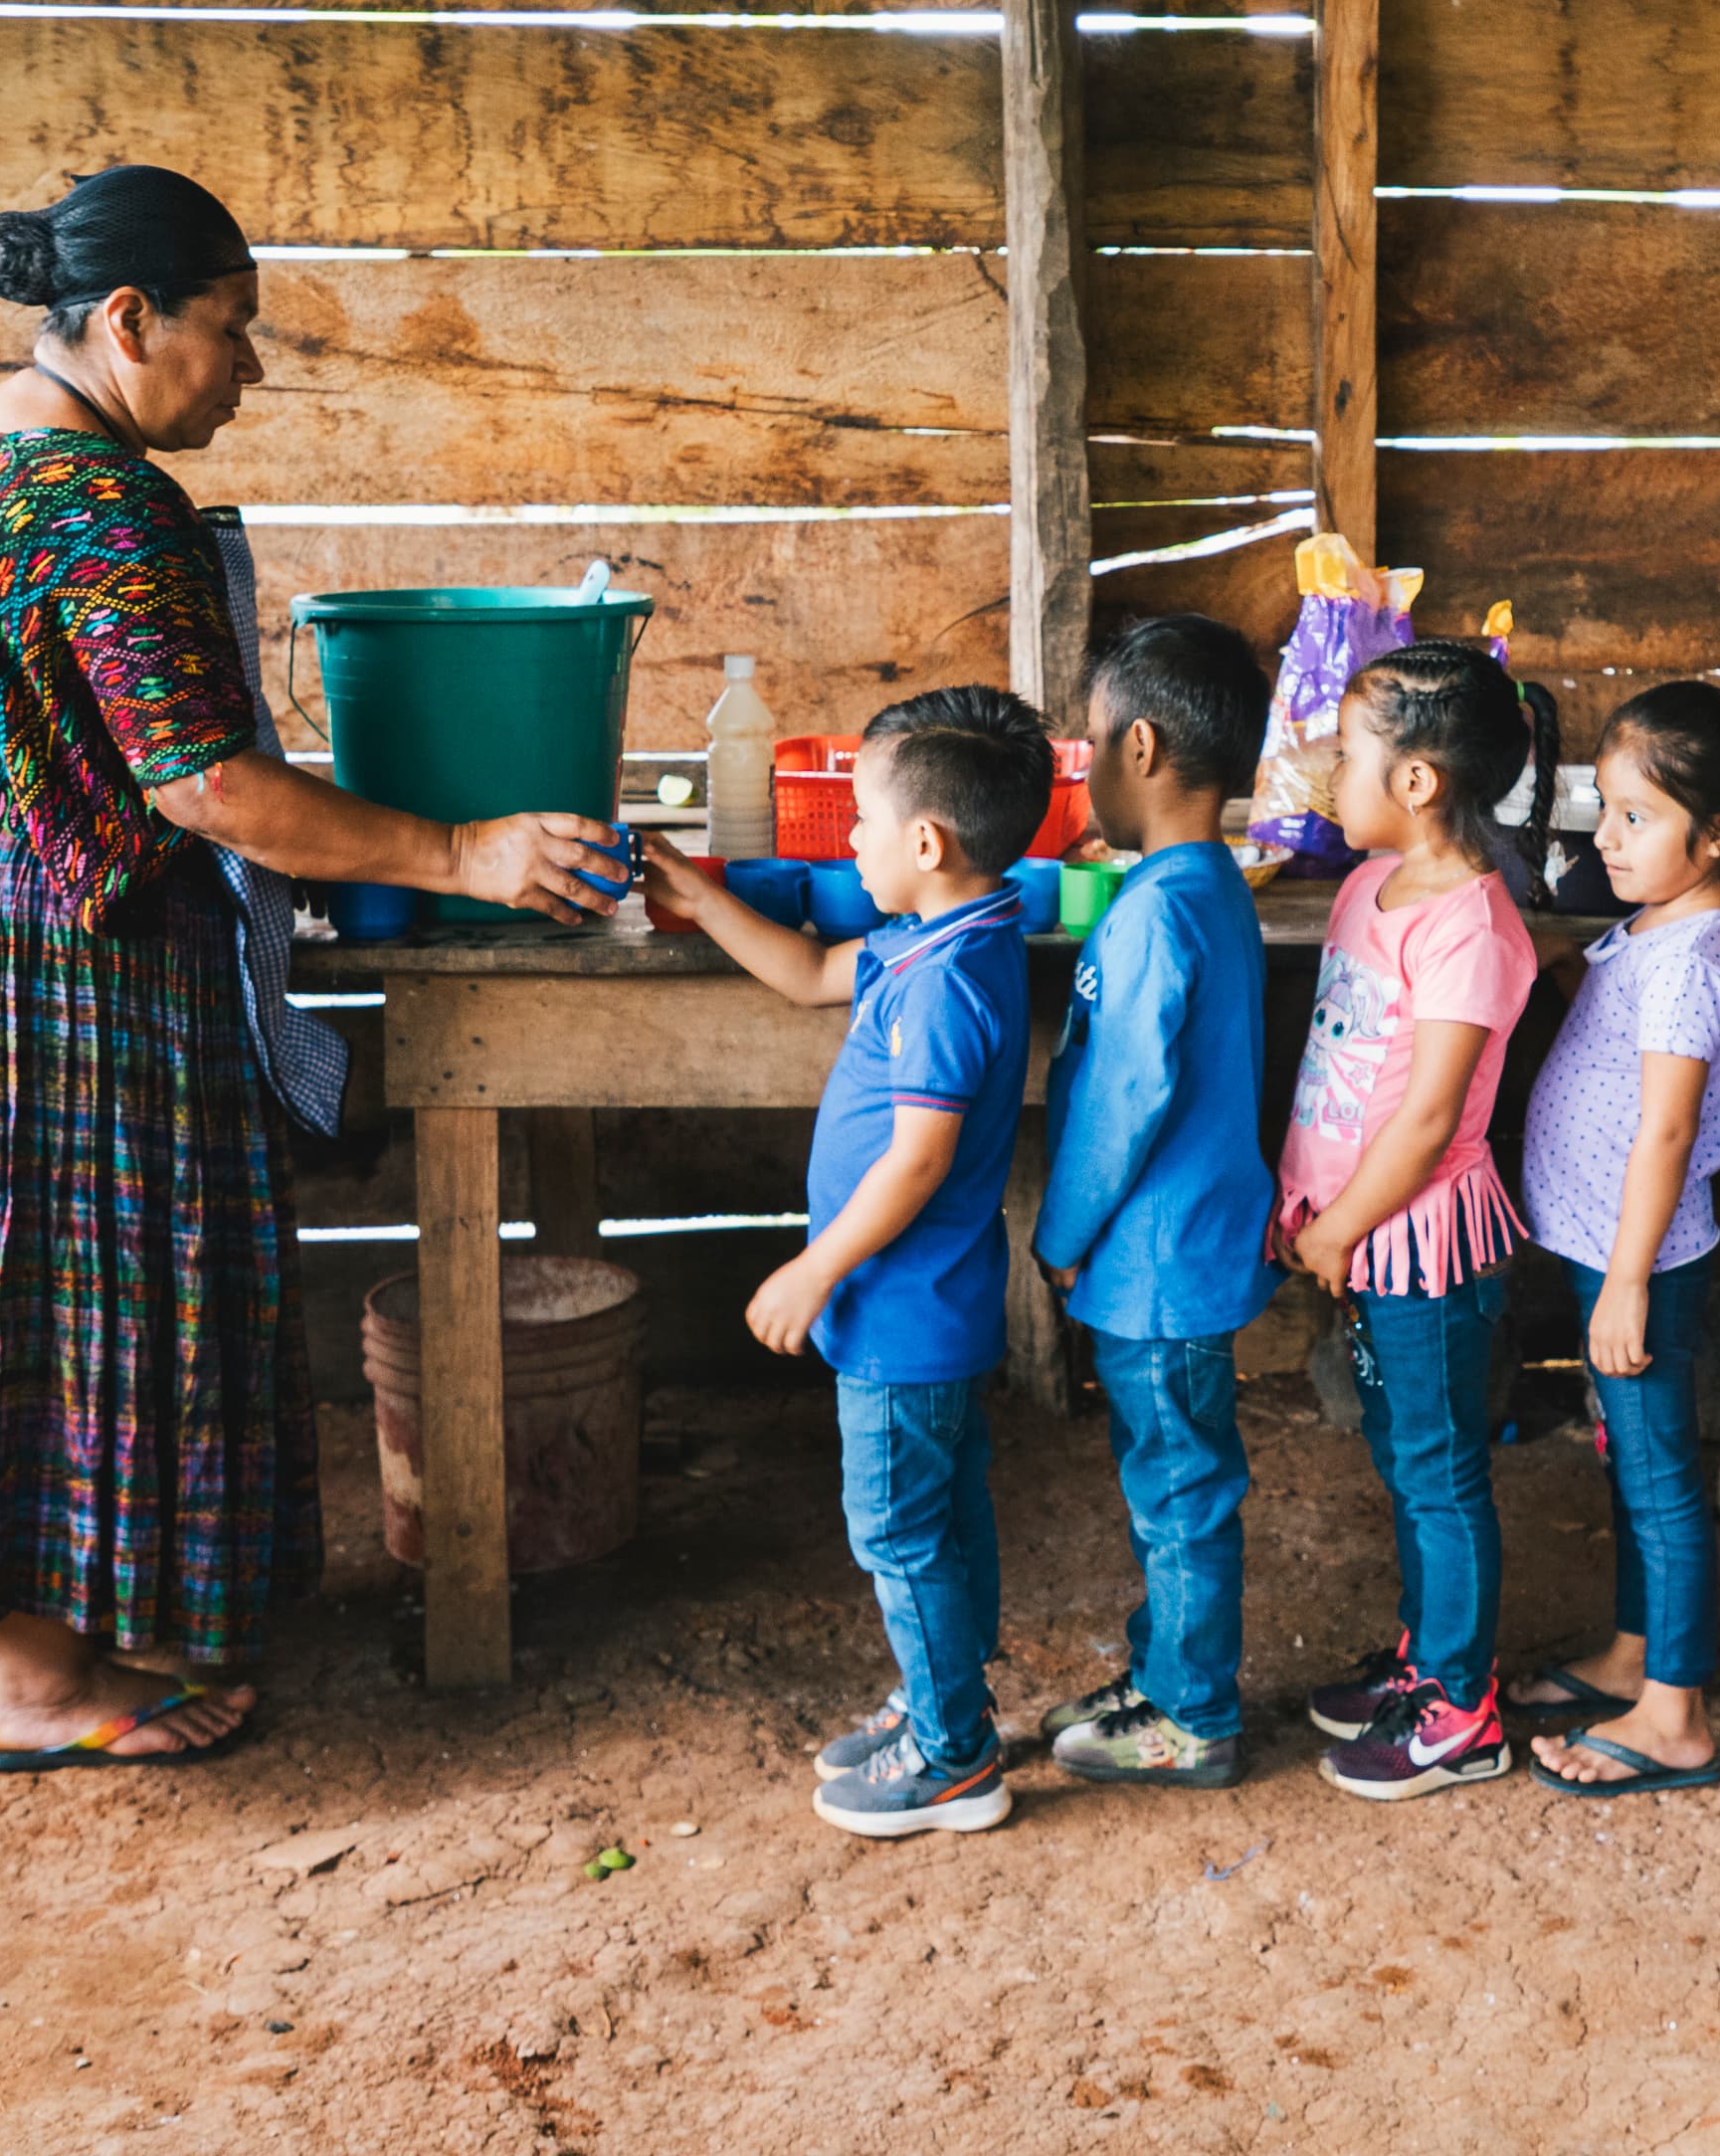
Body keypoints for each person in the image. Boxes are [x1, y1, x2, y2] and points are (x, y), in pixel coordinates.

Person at [0, 167, 626, 1773]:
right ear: (127, 321)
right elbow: (206, 783)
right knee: (83, 1299)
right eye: (229, 331)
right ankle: (46, 1689)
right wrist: (461, 851)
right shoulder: (98, 500)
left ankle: (19, 1619)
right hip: (61, 955)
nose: (246, 369)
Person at [640, 686, 1052, 1840]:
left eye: (861, 822)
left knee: (899, 1529)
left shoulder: (949, 983)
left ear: (926, 842)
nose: (849, 841)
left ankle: (955, 1757)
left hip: (897, 1314)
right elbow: (812, 973)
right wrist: (700, 896)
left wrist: (813, 1268)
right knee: (946, 1513)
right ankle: (945, 1699)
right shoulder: (947, 935)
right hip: (928, 1309)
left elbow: (916, 1163)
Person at [1277, 639, 1558, 1801]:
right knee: (1405, 1457)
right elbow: (1346, 1072)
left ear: (1417, 781)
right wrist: (1313, 1205)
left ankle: (1461, 1706)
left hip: (1416, 1241)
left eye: (1348, 755)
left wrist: (1339, 1226)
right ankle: (1424, 1656)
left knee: (1439, 1470)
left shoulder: (1474, 929)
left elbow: (1434, 1113)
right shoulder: (1365, 889)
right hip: (1358, 1230)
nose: (1324, 774)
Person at [1506, 682, 1720, 1798]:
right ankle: (1632, 1652)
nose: (1607, 838)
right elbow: (1601, 983)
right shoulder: (1665, 924)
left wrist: (1624, 1283)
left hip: (1641, 1262)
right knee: (1631, 1459)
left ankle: (1677, 1712)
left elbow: (1667, 1128)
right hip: (1599, 1241)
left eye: (1636, 818)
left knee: (1660, 1476)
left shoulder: (1697, 957)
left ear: (1718, 835)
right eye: (1603, 809)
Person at [1027, 617, 1280, 1789]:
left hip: (1154, 1257)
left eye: (1085, 748)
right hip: (1182, 1246)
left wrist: (1065, 1231)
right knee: (1166, 1472)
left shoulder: (1159, 910)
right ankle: (1163, 1671)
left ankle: (1194, 1713)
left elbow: (1126, 1092)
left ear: (1139, 746)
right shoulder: (1208, 887)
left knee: (1179, 1484)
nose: (1080, 774)